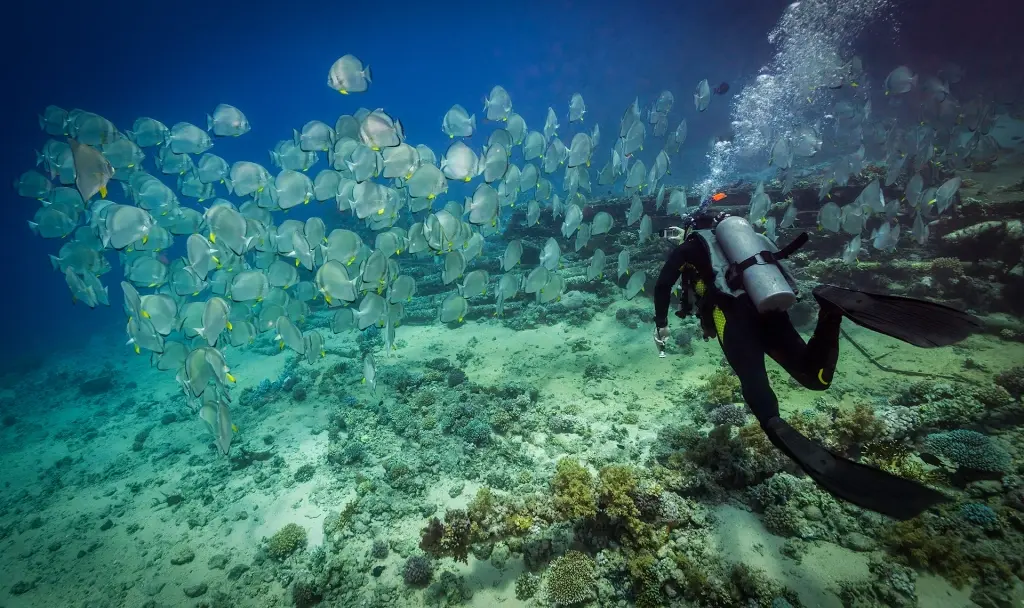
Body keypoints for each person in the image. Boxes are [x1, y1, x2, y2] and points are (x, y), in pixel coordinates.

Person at [653, 205, 983, 520]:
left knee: (754, 383)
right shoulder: (745, 242)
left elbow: (663, 284)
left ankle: (772, 421)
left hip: (733, 317)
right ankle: (831, 309)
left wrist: (661, 324)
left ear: (690, 227)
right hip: (768, 307)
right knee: (815, 378)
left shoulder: (690, 247)